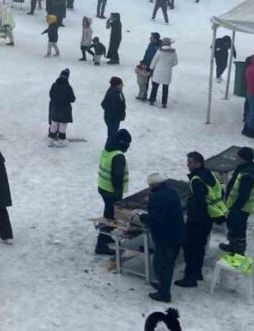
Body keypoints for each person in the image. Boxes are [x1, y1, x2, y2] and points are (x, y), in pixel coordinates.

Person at [176, 152, 226, 288]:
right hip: (209, 218)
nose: (187, 165)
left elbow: (199, 201)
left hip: (197, 220)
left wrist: (188, 206)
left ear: (198, 163)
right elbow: (220, 192)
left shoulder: (196, 180)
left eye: (190, 163)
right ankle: (197, 272)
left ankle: (190, 277)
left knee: (190, 248)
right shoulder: (209, 174)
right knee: (200, 247)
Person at [141, 174, 184, 303]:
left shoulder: (158, 197)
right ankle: (162, 286)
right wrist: (150, 200)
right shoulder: (170, 190)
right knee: (163, 262)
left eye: (150, 185)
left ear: (154, 184)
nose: (149, 187)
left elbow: (155, 218)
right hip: (176, 234)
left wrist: (139, 217)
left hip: (166, 237)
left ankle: (164, 294)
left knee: (163, 265)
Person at [95, 129, 131, 255]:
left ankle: (106, 236)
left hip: (103, 186)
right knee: (110, 217)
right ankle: (101, 244)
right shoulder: (118, 156)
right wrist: (118, 194)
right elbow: (117, 176)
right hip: (111, 191)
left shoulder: (108, 149)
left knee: (109, 213)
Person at [219, 147, 254, 255]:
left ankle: (239, 252)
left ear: (243, 158)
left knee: (239, 229)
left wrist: (235, 209)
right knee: (232, 226)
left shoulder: (248, 174)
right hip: (237, 206)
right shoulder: (245, 167)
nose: (236, 158)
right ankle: (232, 246)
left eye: (238, 157)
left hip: (241, 208)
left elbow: (243, 195)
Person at [48, 69, 76, 147]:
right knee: (62, 126)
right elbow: (72, 99)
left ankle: (50, 140)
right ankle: (61, 141)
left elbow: (51, 94)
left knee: (54, 125)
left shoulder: (54, 85)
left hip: (55, 109)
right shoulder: (68, 87)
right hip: (64, 110)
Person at [147, 38, 177, 108]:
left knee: (155, 86)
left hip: (158, 71)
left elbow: (154, 60)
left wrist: (151, 68)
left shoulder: (160, 51)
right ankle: (164, 103)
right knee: (165, 88)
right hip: (167, 72)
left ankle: (152, 100)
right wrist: (169, 66)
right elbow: (175, 62)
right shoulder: (173, 52)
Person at [101, 77, 126, 145]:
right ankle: (108, 148)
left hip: (114, 119)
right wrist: (118, 116)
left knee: (112, 135)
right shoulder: (112, 94)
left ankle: (109, 147)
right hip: (113, 119)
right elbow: (104, 105)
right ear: (116, 85)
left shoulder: (117, 91)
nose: (122, 85)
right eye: (121, 84)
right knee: (112, 136)